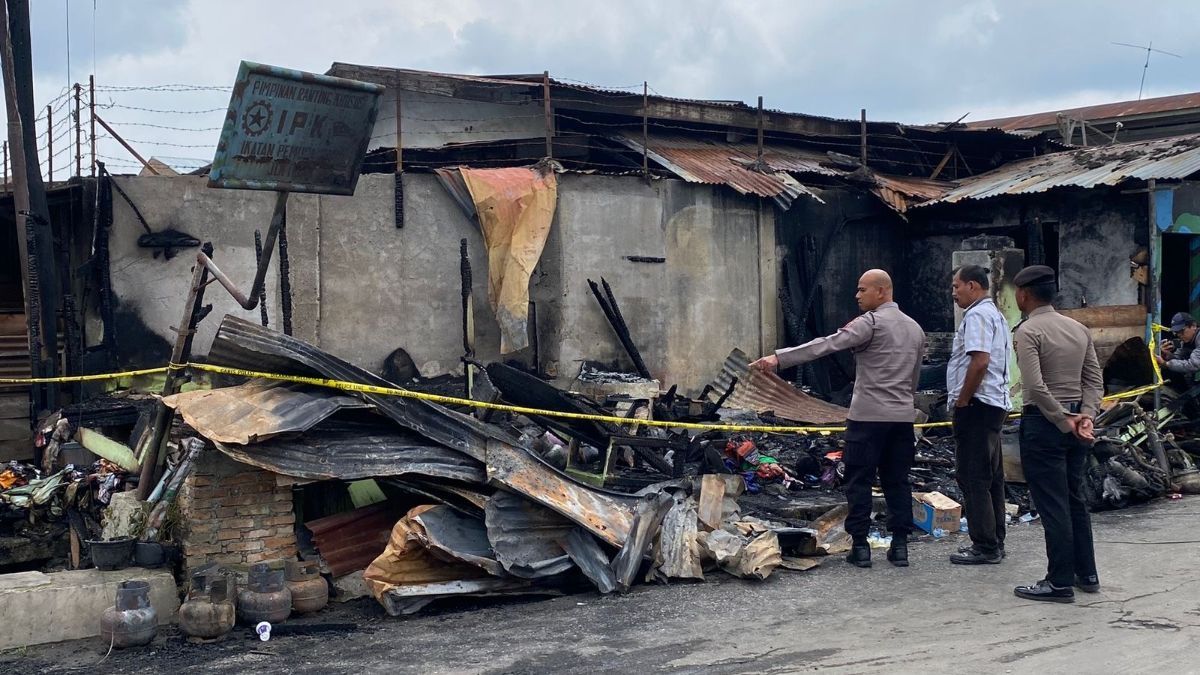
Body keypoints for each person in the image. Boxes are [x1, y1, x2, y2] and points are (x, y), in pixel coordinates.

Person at [751, 269, 925, 569]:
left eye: (862, 290)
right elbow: (914, 377)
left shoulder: (870, 323)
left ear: (881, 292)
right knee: (898, 481)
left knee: (859, 480)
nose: (857, 296)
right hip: (901, 419)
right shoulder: (915, 328)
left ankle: (860, 547)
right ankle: (899, 548)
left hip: (868, 417)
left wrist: (779, 358)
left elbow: (828, 344)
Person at [1010, 265, 1104, 603]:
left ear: (1023, 294)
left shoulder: (1028, 331)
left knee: (1053, 504)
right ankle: (1087, 573)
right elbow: (1094, 380)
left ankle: (1059, 581)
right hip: (1077, 423)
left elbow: (1034, 385)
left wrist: (1063, 421)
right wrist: (1086, 418)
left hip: (1044, 424)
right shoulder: (1078, 329)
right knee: (1073, 497)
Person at [946, 265, 1011, 565]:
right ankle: (995, 539)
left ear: (972, 285)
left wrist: (962, 400)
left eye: (956, 286)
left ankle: (985, 545)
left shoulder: (977, 315)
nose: (954, 292)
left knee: (973, 476)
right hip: (992, 405)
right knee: (991, 476)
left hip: (978, 406)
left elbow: (980, 361)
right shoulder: (994, 314)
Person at [1156, 312, 1200, 388]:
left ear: (1193, 326)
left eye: (1182, 331)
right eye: (1176, 332)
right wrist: (1167, 355)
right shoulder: (1184, 342)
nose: (1179, 335)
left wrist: (1166, 364)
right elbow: (1178, 359)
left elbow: (1193, 365)